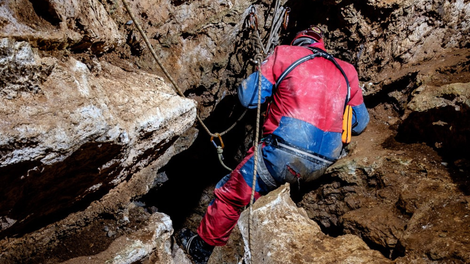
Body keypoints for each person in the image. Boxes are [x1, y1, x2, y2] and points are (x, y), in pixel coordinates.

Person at [183, 26, 369, 263]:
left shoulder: (285, 55)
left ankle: (199, 249)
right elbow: (360, 123)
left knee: (231, 194)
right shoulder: (347, 71)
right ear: (321, 44)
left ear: (297, 42)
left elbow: (247, 97)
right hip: (323, 164)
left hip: (282, 154)